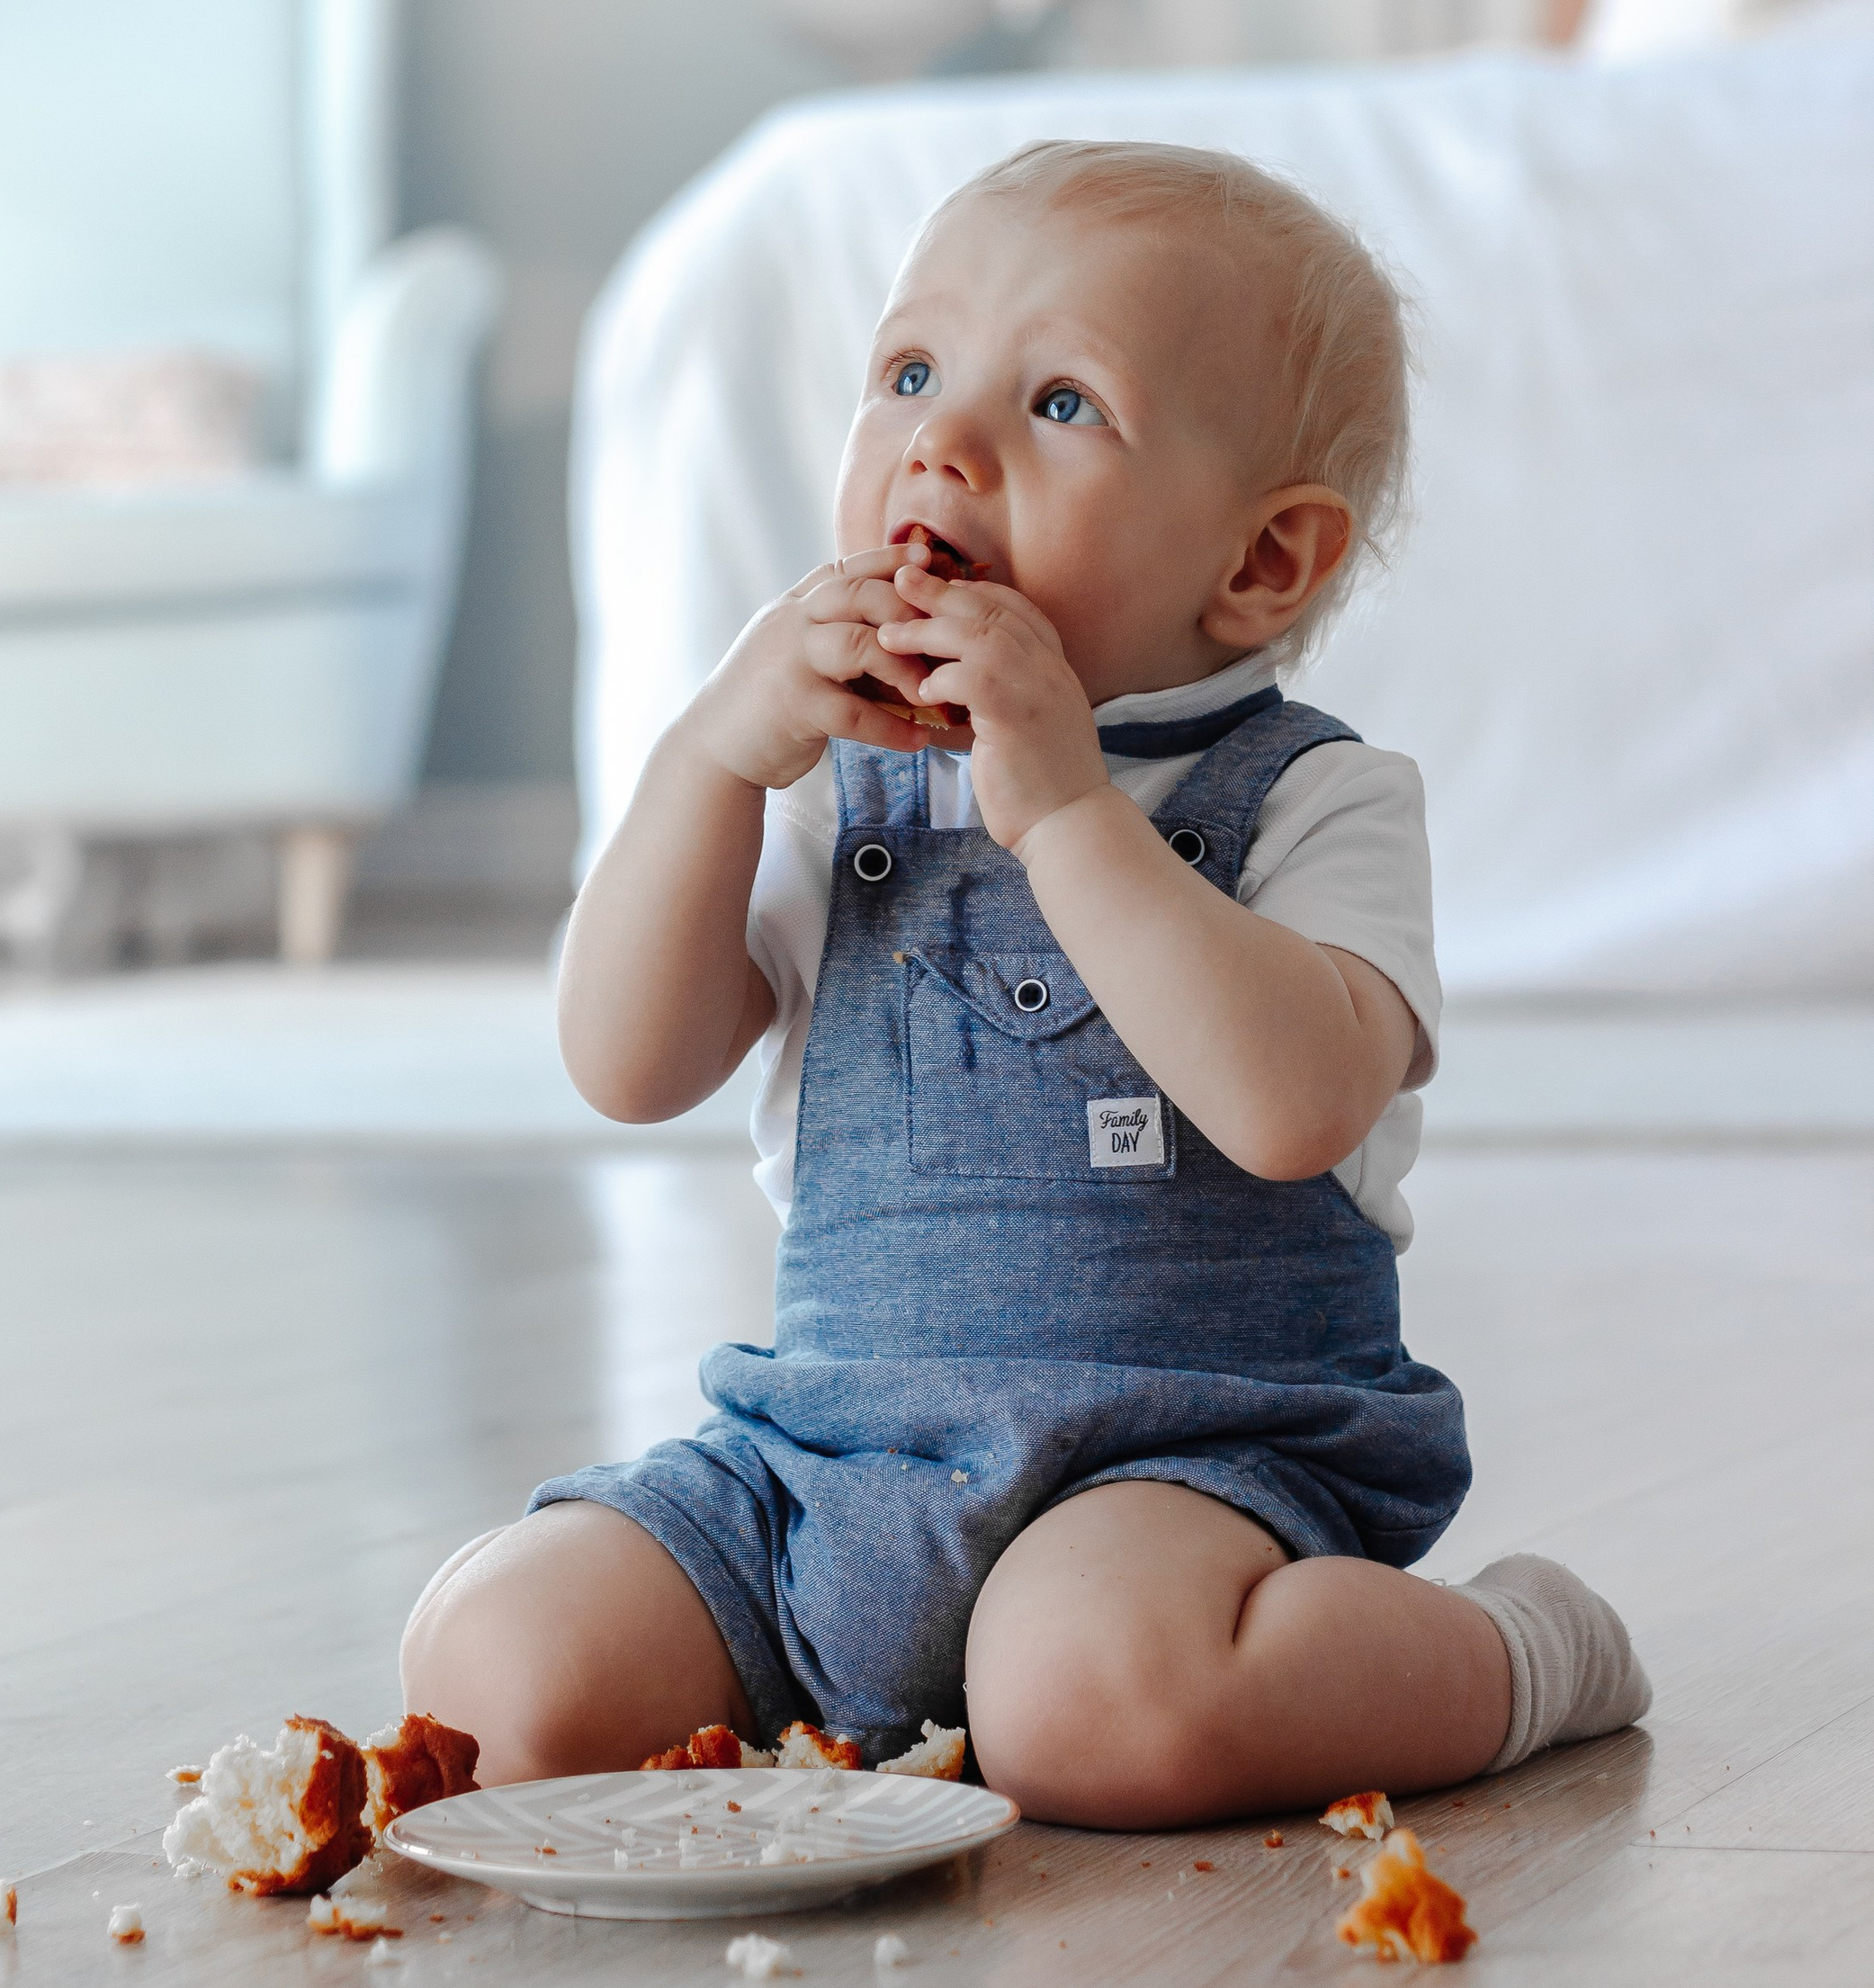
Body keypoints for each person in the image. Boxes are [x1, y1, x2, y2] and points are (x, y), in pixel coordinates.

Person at [403, 139, 1648, 1821]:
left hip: (1186, 1473)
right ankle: (834, 1692)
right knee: (499, 1683)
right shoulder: (836, 789)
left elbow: (1292, 1107)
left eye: (1061, 403)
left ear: (1261, 565)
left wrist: (1062, 804)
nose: (943, 438)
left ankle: (1512, 1663)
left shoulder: (1313, 800)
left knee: (1095, 1713)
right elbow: (624, 1061)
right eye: (911, 371)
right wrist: (710, 759)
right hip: (825, 1471)